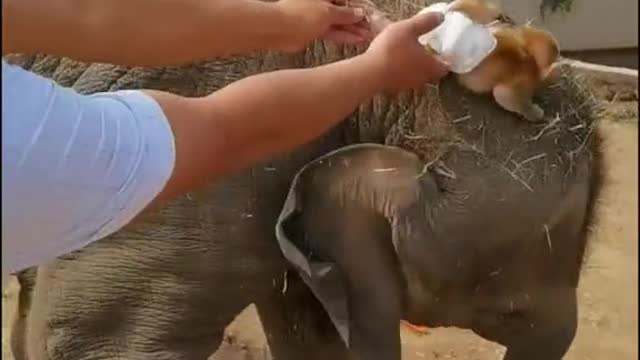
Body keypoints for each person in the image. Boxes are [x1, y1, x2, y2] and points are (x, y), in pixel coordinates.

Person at [1, 0, 448, 279]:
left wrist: (282, 22)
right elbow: (227, 132)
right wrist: (376, 70)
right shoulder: (31, 153)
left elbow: (92, 15)